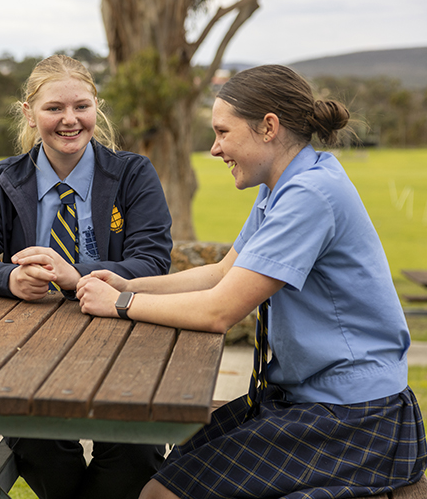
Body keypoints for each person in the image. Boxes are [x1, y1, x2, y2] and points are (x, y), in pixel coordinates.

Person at [77, 64, 427, 499]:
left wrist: (118, 305)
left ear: (268, 128)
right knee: (168, 473)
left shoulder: (310, 196)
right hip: (305, 399)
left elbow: (218, 310)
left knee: (161, 495)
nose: (214, 148)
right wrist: (129, 286)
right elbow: (223, 273)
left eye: (223, 132)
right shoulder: (282, 185)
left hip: (355, 417)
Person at [0, 54, 173, 499]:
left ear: (96, 108)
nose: (70, 120)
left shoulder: (133, 173)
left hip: (126, 343)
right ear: (29, 114)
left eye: (81, 107)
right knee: (37, 441)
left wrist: (78, 277)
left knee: (135, 451)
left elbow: (152, 262)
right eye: (54, 108)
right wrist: (8, 279)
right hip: (29, 349)